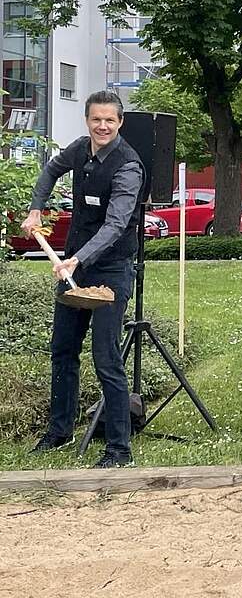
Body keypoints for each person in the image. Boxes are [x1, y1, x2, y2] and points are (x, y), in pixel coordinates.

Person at [22, 91, 144, 469]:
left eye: (110, 120)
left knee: (106, 358)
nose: (102, 126)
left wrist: (77, 259)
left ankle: (119, 449)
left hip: (109, 269)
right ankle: (60, 432)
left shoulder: (128, 167)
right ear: (87, 121)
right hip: (74, 266)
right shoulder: (81, 150)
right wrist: (35, 208)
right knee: (62, 350)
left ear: (120, 122)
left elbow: (116, 224)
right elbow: (50, 170)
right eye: (96, 119)